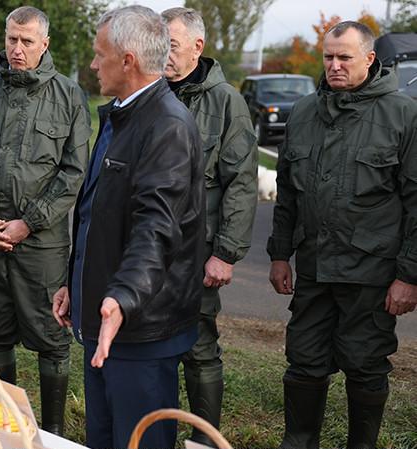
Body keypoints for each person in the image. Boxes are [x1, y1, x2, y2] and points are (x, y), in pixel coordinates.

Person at [51, 6, 204, 448]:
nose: (93, 65)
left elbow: (156, 229)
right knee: (103, 436)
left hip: (140, 330)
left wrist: (121, 296)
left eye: (100, 55)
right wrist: (74, 283)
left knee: (139, 441)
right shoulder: (121, 114)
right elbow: (97, 213)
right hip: (107, 321)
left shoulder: (167, 126)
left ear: (128, 60)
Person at [267, 21, 417, 449]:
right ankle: (299, 443)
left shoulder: (403, 114)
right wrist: (280, 254)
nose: (334, 65)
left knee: (366, 365)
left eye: (344, 57)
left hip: (371, 274)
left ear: (370, 59)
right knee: (303, 362)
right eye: (328, 57)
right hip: (314, 270)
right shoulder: (304, 112)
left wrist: (409, 275)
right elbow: (288, 195)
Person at [0, 5, 91, 435]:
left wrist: (28, 223)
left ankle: (51, 434)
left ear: (44, 44)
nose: (16, 48)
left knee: (52, 340)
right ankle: (3, 428)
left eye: (26, 41)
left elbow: (74, 173)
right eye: (12, 39)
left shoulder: (69, 97)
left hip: (41, 246)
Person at [161, 7, 258, 445]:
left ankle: (203, 441)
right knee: (151, 349)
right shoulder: (149, 93)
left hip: (197, 252)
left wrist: (225, 252)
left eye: (172, 45)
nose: (162, 53)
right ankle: (153, 434)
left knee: (199, 349)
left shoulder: (226, 103)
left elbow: (241, 183)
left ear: (197, 47)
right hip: (146, 250)